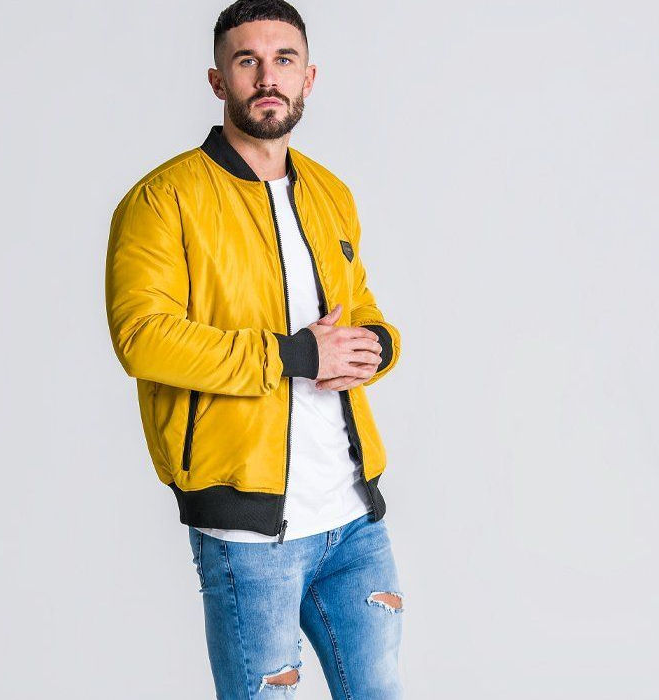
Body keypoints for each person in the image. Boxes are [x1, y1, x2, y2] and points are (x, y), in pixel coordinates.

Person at [105, 1, 404, 696]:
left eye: (284, 60)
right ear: (219, 81)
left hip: (354, 520)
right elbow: (143, 338)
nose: (268, 77)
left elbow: (359, 306)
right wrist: (296, 356)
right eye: (248, 61)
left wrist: (378, 344)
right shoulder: (163, 200)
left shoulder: (330, 193)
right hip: (249, 532)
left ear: (308, 78)